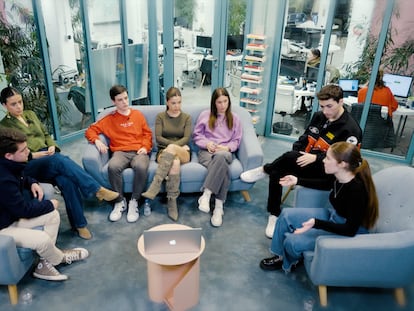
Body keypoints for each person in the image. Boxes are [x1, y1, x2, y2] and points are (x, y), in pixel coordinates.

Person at [241, 84, 362, 238]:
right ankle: (274, 214)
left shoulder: (351, 130)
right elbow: (303, 138)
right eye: (322, 106)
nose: (325, 111)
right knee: (280, 170)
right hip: (305, 162)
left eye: (329, 106)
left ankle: (264, 169)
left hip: (327, 173)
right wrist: (299, 152)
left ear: (341, 102)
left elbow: (347, 162)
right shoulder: (319, 116)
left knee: (287, 159)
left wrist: (316, 158)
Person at [0, 86, 119, 240]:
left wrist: (51, 146)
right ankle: (96, 189)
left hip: (47, 156)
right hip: (28, 164)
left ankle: (79, 224)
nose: (19, 107)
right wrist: (35, 155)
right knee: (59, 160)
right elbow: (14, 155)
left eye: (20, 102)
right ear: (4, 106)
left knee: (66, 179)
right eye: (13, 104)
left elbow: (45, 134)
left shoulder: (30, 114)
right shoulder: (4, 127)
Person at [259, 141, 379, 272]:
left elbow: (349, 230)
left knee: (291, 242)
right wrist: (297, 180)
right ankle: (280, 256)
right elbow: (326, 185)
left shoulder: (357, 190)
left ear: (342, 164)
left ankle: (291, 260)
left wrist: (317, 223)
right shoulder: (340, 176)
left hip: (346, 231)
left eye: (328, 158)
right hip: (333, 216)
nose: (323, 161)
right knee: (285, 215)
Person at [0, 127, 89, 281]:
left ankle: (44, 264)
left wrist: (32, 182)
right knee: (42, 238)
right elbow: (23, 210)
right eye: (23, 150)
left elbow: (22, 176)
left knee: (53, 216)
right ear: (9, 155)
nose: (28, 152)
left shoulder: (10, 165)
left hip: (10, 218)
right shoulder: (3, 179)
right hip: (3, 229)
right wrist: (50, 203)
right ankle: (59, 257)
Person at [85, 85, 152, 223]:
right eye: (120, 100)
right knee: (113, 167)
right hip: (120, 151)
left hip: (139, 151)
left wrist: (145, 147)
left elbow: (147, 134)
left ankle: (134, 201)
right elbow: (90, 130)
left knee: (141, 167)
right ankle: (120, 201)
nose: (125, 102)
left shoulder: (138, 115)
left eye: (126, 98)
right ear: (113, 101)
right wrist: (97, 141)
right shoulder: (109, 119)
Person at [193, 87, 242, 227]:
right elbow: (197, 136)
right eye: (219, 102)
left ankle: (207, 194)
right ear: (214, 103)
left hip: (225, 152)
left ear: (229, 101)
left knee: (221, 157)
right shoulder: (205, 115)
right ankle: (219, 207)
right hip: (206, 152)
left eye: (225, 101)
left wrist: (227, 148)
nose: (222, 105)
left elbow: (236, 140)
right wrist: (207, 143)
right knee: (223, 169)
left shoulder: (235, 118)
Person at [141, 87, 191, 221]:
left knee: (173, 150)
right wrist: (172, 146)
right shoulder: (160, 117)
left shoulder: (186, 117)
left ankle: (155, 185)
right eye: (174, 103)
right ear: (167, 102)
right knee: (174, 163)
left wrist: (174, 146)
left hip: (183, 153)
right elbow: (158, 138)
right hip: (164, 153)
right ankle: (172, 202)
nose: (177, 106)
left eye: (179, 102)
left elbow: (186, 138)